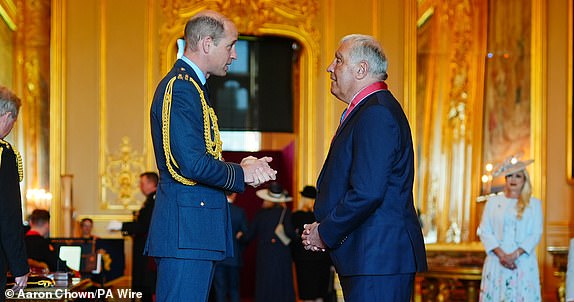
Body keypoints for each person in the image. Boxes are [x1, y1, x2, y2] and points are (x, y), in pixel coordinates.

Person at [145, 10, 277, 302]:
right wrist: (242, 174)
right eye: (230, 46)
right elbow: (191, 164)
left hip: (193, 231)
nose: (234, 55)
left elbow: (198, 157)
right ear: (206, 43)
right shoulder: (181, 88)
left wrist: (243, 166)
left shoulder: (191, 87)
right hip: (187, 232)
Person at [301, 34, 428, 301]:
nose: (330, 68)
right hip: (371, 256)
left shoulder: (376, 113)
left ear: (361, 69)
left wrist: (324, 233)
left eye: (338, 60)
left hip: (377, 257)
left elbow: (368, 191)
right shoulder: (369, 110)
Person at [477, 159, 542, 301]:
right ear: (505, 179)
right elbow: (485, 230)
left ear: (524, 179)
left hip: (523, 262)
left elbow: (535, 233)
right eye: (510, 176)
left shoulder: (534, 204)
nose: (513, 179)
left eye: (518, 176)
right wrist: (502, 255)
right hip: (496, 261)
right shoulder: (493, 202)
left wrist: (514, 255)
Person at [0, 86, 29, 297]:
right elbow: (8, 215)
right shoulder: (4, 154)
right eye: (14, 121)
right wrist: (19, 266)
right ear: (8, 116)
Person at [247, 181, 296, 302]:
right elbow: (290, 232)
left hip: (265, 252)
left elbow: (250, 234)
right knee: (281, 281)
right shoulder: (285, 213)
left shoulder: (260, 214)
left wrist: (240, 238)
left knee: (265, 282)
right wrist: (298, 236)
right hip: (281, 252)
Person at [121, 172, 159, 302]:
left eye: (142, 183)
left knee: (146, 287)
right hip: (145, 251)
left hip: (147, 253)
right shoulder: (150, 201)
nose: (140, 186)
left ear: (152, 184)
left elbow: (143, 226)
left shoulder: (153, 202)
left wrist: (123, 226)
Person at [291, 186, 333, 302]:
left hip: (303, 260)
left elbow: (292, 239)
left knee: (307, 293)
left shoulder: (296, 216)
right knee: (320, 293)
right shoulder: (322, 216)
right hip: (322, 257)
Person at [212, 191, 248, 302]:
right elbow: (246, 235)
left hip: (218, 257)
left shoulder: (216, 211)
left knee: (220, 291)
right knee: (234, 290)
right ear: (234, 194)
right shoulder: (239, 212)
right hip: (234, 257)